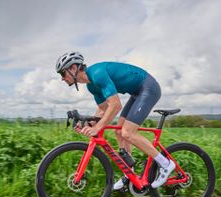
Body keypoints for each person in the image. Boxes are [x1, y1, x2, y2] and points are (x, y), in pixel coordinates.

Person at [55, 51, 175, 189]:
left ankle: (165, 164)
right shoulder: (91, 85)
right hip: (137, 93)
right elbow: (102, 109)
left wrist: (98, 127)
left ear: (74, 68)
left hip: (148, 87)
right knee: (118, 133)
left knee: (128, 132)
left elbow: (116, 105)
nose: (62, 78)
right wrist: (88, 124)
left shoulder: (97, 74)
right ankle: (130, 174)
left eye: (62, 74)